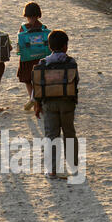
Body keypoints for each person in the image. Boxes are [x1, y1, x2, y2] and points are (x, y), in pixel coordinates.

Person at [34, 30, 79, 179]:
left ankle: (52, 169)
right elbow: (75, 81)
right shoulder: (71, 62)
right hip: (67, 104)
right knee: (69, 133)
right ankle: (73, 166)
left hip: (49, 104)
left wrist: (37, 104)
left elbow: (38, 86)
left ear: (49, 46)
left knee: (51, 136)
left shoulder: (43, 63)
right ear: (66, 46)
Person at [17, 2, 48, 111]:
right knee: (39, 80)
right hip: (40, 58)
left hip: (27, 59)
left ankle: (32, 98)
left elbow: (20, 46)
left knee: (27, 79)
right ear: (38, 13)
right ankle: (37, 99)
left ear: (26, 14)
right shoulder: (43, 28)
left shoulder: (23, 28)